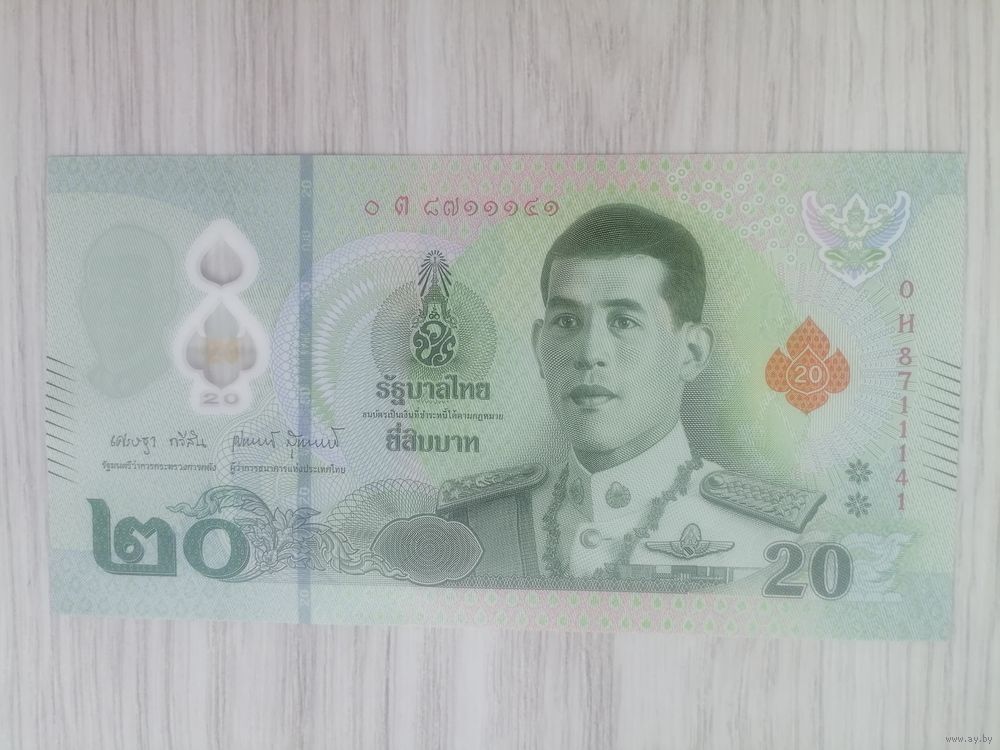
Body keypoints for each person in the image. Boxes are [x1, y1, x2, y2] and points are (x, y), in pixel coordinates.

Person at [438, 203, 824, 584]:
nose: (589, 353)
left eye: (623, 322)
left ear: (692, 353)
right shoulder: (470, 528)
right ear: (540, 347)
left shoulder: (774, 542)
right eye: (567, 321)